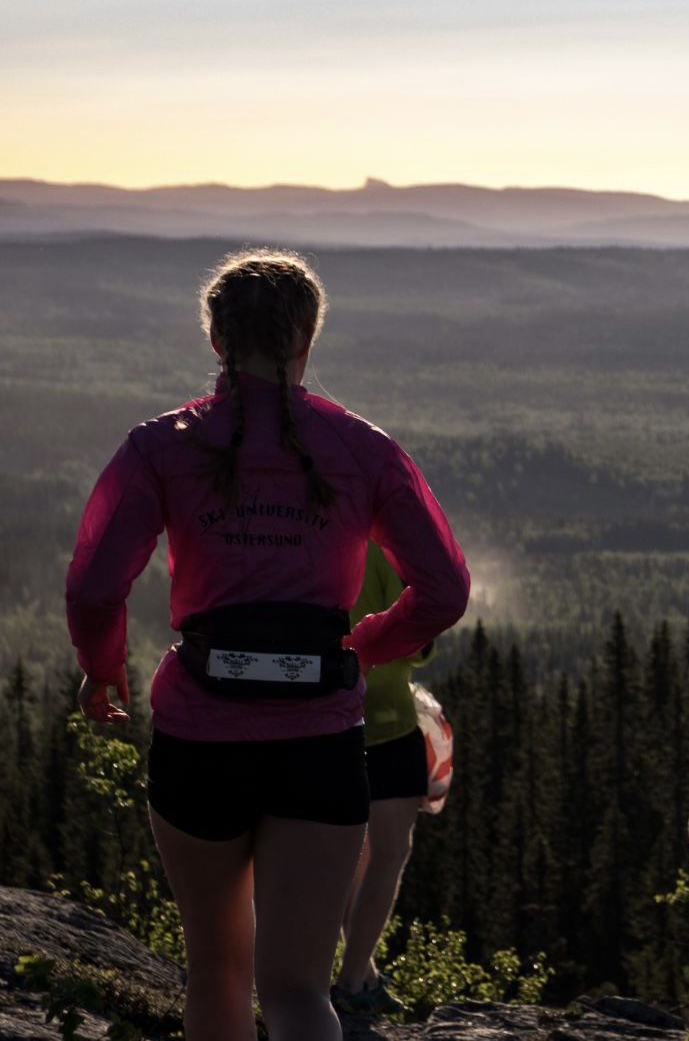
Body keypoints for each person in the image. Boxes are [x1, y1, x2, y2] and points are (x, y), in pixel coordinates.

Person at [67, 249, 468, 1041]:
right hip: (318, 735)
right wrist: (364, 643)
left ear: (216, 341)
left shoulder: (162, 445)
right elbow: (444, 589)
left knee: (217, 970)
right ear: (307, 341)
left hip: (198, 731)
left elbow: (92, 587)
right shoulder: (362, 448)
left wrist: (101, 669)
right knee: (296, 990)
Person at [334, 541, 438, 1016]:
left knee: (350, 853)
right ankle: (354, 984)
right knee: (390, 852)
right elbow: (414, 639)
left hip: (323, 715)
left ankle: (365, 972)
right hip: (387, 719)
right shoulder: (386, 547)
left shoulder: (315, 530)